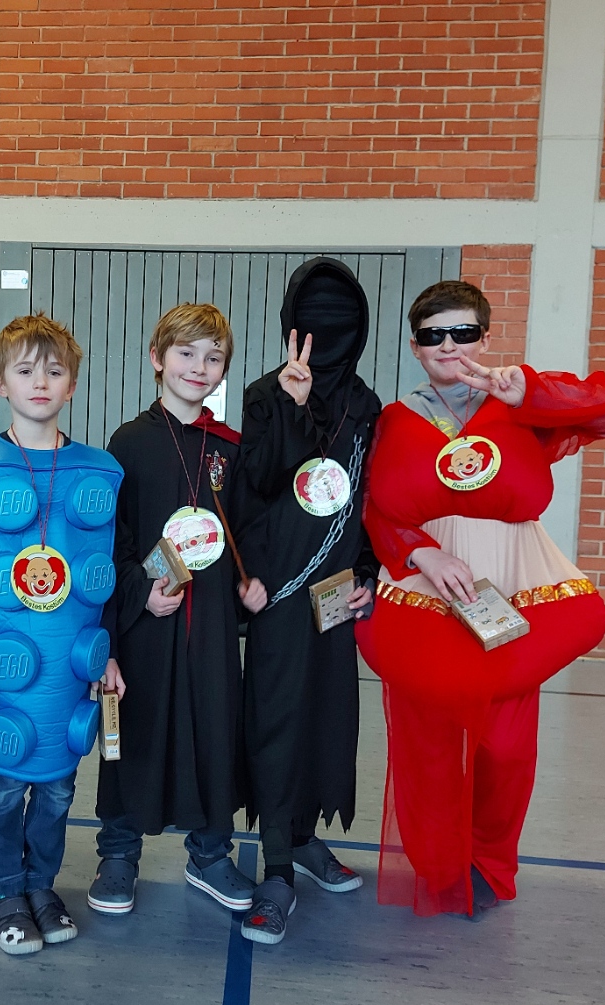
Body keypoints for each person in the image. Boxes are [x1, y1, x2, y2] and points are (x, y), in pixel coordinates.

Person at [355, 279, 605, 918]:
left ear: (484, 337)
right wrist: (419, 552)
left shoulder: (519, 407)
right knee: (427, 738)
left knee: (505, 748)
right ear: (415, 346)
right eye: (432, 335)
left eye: (462, 332)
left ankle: (489, 859)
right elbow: (374, 506)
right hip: (424, 589)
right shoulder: (391, 420)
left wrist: (529, 390)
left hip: (514, 589)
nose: (448, 346)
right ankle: (437, 863)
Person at [0, 313, 125, 956]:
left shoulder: (98, 472)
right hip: (2, 660)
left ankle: (42, 886)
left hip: (67, 663)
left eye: (54, 371)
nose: (40, 382)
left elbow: (105, 570)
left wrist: (107, 652)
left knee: (57, 784)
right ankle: (6, 891)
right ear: (1, 382)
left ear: (72, 385)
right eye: (25, 370)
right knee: (4, 784)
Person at [86, 303, 268, 917]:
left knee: (214, 732)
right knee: (133, 732)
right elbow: (113, 540)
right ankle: (118, 852)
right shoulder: (128, 443)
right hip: (147, 623)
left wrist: (250, 582)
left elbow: (247, 532)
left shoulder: (231, 449)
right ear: (157, 359)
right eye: (186, 353)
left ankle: (210, 854)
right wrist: (140, 591)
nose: (199, 367)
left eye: (213, 358)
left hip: (210, 624)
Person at [236, 257, 379, 945]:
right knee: (276, 722)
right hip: (279, 594)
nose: (326, 328)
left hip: (334, 596)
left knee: (326, 718)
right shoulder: (266, 394)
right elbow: (256, 484)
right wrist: (292, 406)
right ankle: (274, 866)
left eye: (339, 316)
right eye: (313, 316)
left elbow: (369, 499)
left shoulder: (366, 406)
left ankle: (302, 838)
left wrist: (368, 573)